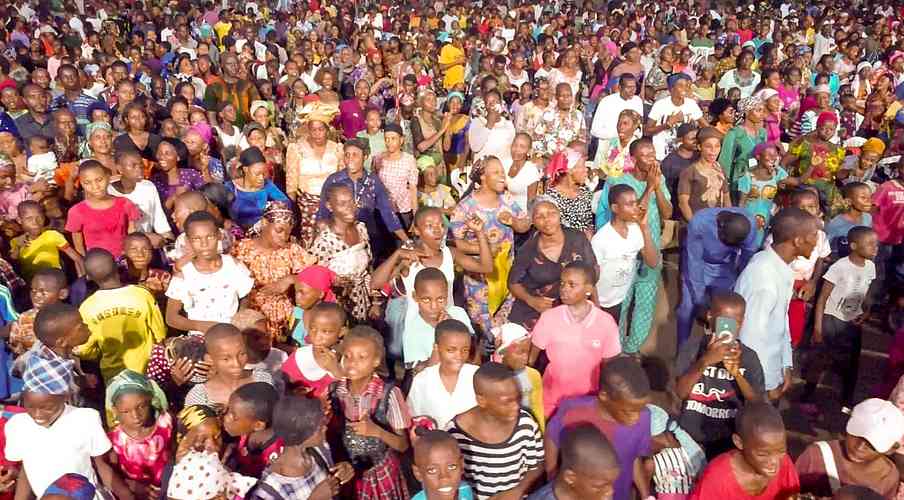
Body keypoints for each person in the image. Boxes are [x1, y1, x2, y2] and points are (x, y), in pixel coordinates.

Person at [8, 345, 133, 499]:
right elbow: (26, 469)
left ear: (65, 397)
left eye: (47, 408)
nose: (37, 414)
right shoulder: (17, 425)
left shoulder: (85, 419)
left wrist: (126, 494)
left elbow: (101, 464)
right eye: (30, 406)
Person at [596, 138, 673, 352]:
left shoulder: (659, 179)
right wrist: (649, 188)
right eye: (645, 155)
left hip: (650, 247)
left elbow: (667, 213)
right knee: (623, 300)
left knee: (646, 301)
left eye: (653, 154)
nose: (651, 159)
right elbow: (637, 214)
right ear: (633, 158)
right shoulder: (620, 183)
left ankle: (633, 348)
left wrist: (657, 188)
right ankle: (616, 346)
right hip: (624, 251)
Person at [736, 208, 819, 401]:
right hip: (757, 382)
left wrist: (785, 364)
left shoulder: (779, 267)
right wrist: (766, 384)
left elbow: (780, 322)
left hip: (771, 373)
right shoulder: (763, 277)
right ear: (798, 241)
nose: (817, 241)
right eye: (814, 235)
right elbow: (751, 337)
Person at [544, 356, 653, 500]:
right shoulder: (573, 410)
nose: (636, 417)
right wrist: (551, 476)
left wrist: (646, 495)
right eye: (628, 411)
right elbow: (551, 437)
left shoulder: (644, 417)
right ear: (604, 396)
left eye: (641, 409)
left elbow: (633, 458)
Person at [675, 291, 765, 459]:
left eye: (735, 322)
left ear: (742, 322)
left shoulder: (748, 357)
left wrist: (737, 374)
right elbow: (680, 392)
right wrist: (705, 361)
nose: (729, 328)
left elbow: (757, 402)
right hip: (690, 437)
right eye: (724, 321)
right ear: (710, 316)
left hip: (728, 440)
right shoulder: (692, 349)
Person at [328, 326, 412, 499]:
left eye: (362, 357)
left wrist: (377, 431)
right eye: (347, 356)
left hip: (379, 474)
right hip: (347, 474)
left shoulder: (389, 394)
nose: (352, 362)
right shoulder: (334, 391)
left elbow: (403, 445)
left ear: (376, 361)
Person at [451, 157, 531, 337]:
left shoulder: (507, 200)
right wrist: (483, 249)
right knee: (485, 332)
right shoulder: (466, 207)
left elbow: (525, 224)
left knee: (505, 328)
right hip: (480, 281)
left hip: (506, 275)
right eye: (496, 172)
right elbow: (457, 244)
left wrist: (513, 221)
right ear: (482, 177)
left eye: (502, 172)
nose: (502, 176)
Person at [531, 262, 621, 416]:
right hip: (552, 399)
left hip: (587, 400)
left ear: (589, 289)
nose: (564, 289)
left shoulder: (605, 323)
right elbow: (532, 358)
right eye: (562, 283)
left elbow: (610, 366)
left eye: (572, 285)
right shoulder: (549, 318)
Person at [804, 226, 878, 415]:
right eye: (870, 244)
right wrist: (818, 328)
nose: (875, 248)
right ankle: (807, 395)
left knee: (852, 362)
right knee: (820, 359)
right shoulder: (839, 267)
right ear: (854, 246)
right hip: (831, 320)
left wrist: (866, 311)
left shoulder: (871, 267)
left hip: (852, 323)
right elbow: (822, 298)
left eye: (876, 244)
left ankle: (847, 400)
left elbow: (867, 292)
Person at [446, 362, 544, 500]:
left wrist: (518, 490)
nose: (516, 406)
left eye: (518, 398)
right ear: (481, 400)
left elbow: (537, 464)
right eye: (507, 402)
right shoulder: (455, 433)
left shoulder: (525, 423)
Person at [76, 248, 166, 382]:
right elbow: (160, 334)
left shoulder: (87, 307)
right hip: (148, 370)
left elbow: (85, 350)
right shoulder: (143, 295)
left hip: (113, 376)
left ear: (88, 276)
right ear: (117, 267)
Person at [508, 198, 597, 328]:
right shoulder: (528, 250)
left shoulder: (577, 238)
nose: (547, 219)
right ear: (533, 222)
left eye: (551, 213)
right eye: (540, 216)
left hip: (572, 307)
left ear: (559, 214)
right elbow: (513, 283)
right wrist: (532, 300)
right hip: (538, 310)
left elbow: (592, 272)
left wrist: (595, 307)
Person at [231, 201, 313, 341]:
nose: (284, 237)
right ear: (264, 223)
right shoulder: (240, 249)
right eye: (279, 230)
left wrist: (290, 279)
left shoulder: (292, 250)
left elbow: (315, 279)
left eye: (288, 233)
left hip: (285, 322)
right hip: (251, 319)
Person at [316, 137, 407, 263]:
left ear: (365, 157)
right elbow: (322, 213)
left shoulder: (373, 181)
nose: (350, 159)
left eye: (355, 155)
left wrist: (406, 240)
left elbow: (388, 214)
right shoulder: (334, 181)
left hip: (367, 239)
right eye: (347, 155)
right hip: (339, 240)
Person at [165, 211, 255, 336]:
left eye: (210, 237)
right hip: (199, 339)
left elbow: (245, 296)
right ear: (188, 240)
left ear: (219, 235)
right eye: (197, 239)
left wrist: (240, 318)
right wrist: (200, 326)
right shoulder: (184, 274)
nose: (204, 244)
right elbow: (171, 318)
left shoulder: (233, 266)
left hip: (232, 336)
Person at [677, 208, 758, 346]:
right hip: (699, 263)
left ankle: (722, 352)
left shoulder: (749, 225)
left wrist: (739, 281)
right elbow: (694, 263)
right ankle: (682, 351)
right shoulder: (699, 223)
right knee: (686, 309)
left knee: (726, 313)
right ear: (720, 227)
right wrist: (700, 301)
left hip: (725, 268)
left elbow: (747, 258)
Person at [796, 398, 904, 499]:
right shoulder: (815, 456)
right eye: (857, 434)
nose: (859, 447)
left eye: (871, 444)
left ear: (890, 449)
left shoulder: (888, 477)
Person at [688, 402, 799, 499]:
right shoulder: (717, 479)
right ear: (739, 442)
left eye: (781, 451)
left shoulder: (784, 463)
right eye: (762, 454)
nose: (775, 462)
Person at [251, 396, 354, 499]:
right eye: (319, 427)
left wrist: (343, 472)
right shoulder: (268, 490)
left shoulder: (320, 450)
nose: (325, 428)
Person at [593, 184, 661, 323]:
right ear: (615, 208)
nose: (636, 208)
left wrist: (644, 228)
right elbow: (591, 278)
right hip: (602, 303)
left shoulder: (635, 230)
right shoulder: (601, 240)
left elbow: (653, 262)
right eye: (630, 204)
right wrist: (596, 307)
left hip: (621, 299)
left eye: (636, 203)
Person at [309, 184, 376, 323]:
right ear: (329, 206)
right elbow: (313, 280)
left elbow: (370, 267)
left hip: (364, 303)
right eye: (342, 204)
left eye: (351, 202)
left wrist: (374, 301)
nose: (350, 208)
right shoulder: (326, 241)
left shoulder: (361, 229)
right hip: (337, 309)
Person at [284, 101, 343, 246]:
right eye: (313, 130)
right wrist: (294, 212)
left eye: (320, 129)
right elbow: (291, 185)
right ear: (308, 130)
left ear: (327, 130)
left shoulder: (337, 149)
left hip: (331, 204)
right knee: (309, 243)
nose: (317, 134)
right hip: (306, 207)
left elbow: (342, 179)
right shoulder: (296, 149)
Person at [104, 369, 172, 495]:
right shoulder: (114, 440)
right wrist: (130, 485)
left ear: (150, 399)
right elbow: (113, 474)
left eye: (141, 406)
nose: (135, 416)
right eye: (126, 411)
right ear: (115, 410)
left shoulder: (166, 424)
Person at [407, 319, 478, 428]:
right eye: (451, 350)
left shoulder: (476, 376)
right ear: (436, 348)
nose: (459, 356)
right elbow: (414, 418)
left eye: (465, 350)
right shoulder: (422, 380)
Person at [184, 323, 274, 408]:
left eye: (242, 354)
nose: (236, 364)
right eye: (226, 359)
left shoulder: (262, 379)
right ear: (210, 359)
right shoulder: (199, 397)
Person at [65, 161, 140, 258]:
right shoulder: (77, 212)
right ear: (82, 184)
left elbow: (132, 235)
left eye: (99, 180)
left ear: (108, 177)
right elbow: (79, 248)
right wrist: (85, 266)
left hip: (124, 259)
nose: (95, 187)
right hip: (97, 263)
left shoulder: (125, 204)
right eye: (87, 183)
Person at [528, 423, 621, 500]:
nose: (610, 492)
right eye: (598, 486)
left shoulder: (598, 493)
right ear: (570, 477)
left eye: (611, 483)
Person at [281, 303, 345, 398]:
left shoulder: (346, 360)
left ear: (341, 332)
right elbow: (282, 385)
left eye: (326, 331)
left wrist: (335, 371)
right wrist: (293, 393)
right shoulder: (300, 356)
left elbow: (350, 394)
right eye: (312, 328)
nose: (317, 336)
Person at [9, 201, 84, 281]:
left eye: (39, 217)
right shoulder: (16, 242)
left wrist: (83, 280)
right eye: (29, 219)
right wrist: (18, 248)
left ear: (44, 217)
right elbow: (12, 267)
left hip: (56, 282)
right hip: (32, 285)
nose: (35, 222)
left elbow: (77, 258)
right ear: (19, 220)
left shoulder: (52, 235)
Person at [222, 382, 283, 478]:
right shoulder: (246, 430)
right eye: (228, 409)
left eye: (233, 416)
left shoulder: (278, 457)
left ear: (258, 425)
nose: (225, 417)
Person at [225, 147, 290, 229]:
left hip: (262, 230)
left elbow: (286, 203)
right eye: (257, 174)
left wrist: (271, 214)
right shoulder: (230, 188)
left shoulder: (267, 185)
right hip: (237, 232)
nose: (261, 178)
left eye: (263, 174)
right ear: (245, 169)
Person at [646, 73, 705, 161]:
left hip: (685, 155)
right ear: (671, 89)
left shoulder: (691, 104)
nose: (685, 89)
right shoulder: (660, 105)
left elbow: (705, 126)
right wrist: (666, 125)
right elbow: (647, 131)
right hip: (663, 154)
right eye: (681, 86)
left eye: (687, 86)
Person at [678, 127, 731, 221]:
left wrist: (728, 221)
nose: (713, 150)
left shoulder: (719, 169)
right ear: (699, 147)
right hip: (697, 222)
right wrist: (695, 225)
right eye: (708, 146)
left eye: (717, 146)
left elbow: (726, 197)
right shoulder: (690, 172)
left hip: (717, 222)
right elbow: (683, 203)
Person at [375, 122, 419, 229]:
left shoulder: (409, 160)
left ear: (401, 140)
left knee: (403, 237)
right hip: (384, 209)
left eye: (393, 138)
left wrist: (416, 216)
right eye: (386, 139)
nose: (389, 142)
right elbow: (375, 183)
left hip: (403, 211)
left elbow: (413, 189)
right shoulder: (379, 158)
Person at [411, 430, 475, 500]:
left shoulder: (464, 490)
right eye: (432, 470)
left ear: (461, 465)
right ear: (418, 473)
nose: (444, 477)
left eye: (451, 467)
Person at [825, 182, 873, 257]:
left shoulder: (868, 217)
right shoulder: (835, 223)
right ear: (849, 201)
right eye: (863, 198)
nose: (869, 201)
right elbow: (825, 249)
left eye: (870, 197)